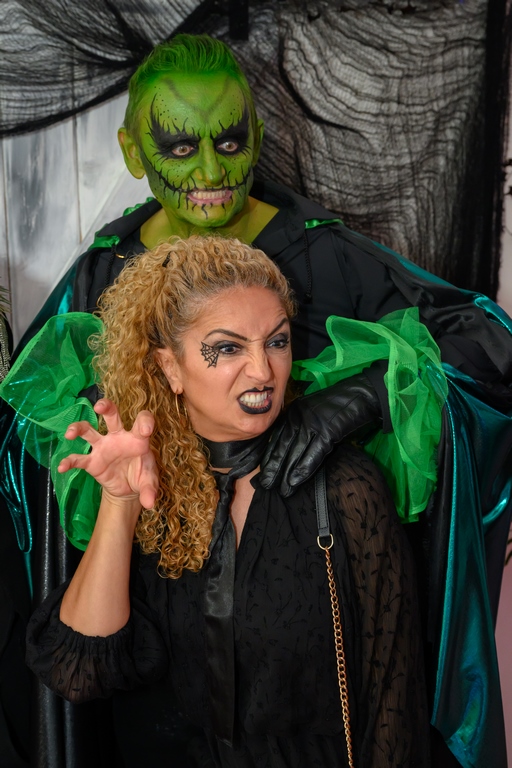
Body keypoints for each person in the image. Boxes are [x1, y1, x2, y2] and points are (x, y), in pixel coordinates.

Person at [1, 32, 512, 767]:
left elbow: (485, 345)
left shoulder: (320, 253)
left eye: (230, 142)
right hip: (158, 587)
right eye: (181, 148)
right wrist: (113, 486)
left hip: (308, 561)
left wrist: (370, 393)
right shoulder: (99, 279)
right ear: (135, 152)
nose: (212, 172)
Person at [23, 236, 430, 767]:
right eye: (229, 348)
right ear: (170, 368)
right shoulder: (150, 489)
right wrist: (119, 502)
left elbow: (394, 702)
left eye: (277, 341)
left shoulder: (346, 487)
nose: (263, 371)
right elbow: (79, 672)